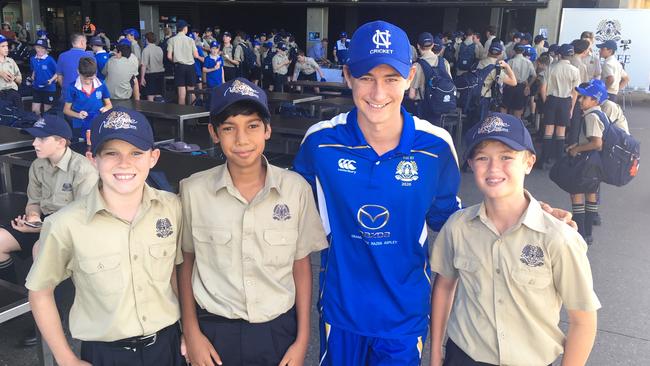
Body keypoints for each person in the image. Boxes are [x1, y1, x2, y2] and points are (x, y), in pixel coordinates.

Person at [293, 20, 462, 366]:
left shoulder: (436, 147)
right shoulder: (320, 142)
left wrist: (521, 210)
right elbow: (283, 204)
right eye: (366, 77)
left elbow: (456, 225)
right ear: (347, 75)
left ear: (411, 76)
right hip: (342, 311)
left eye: (391, 78)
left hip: (404, 315)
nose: (378, 93)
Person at [178, 77, 327, 366]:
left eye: (253, 126)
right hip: (214, 332)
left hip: (277, 331)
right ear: (214, 133)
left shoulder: (295, 190)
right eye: (229, 128)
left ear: (268, 129)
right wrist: (192, 332)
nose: (242, 140)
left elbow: (301, 266)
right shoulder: (193, 191)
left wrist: (302, 339)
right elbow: (186, 263)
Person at [430, 112, 600, 366]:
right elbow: (444, 286)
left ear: (529, 162)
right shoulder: (459, 226)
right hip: (464, 355)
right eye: (482, 158)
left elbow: (583, 321)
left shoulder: (559, 238)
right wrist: (434, 355)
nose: (493, 168)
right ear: (471, 164)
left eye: (506, 157)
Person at [27, 107, 186, 366]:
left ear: (153, 157)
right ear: (92, 159)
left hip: (167, 345)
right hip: (107, 354)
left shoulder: (172, 207)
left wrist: (188, 332)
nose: (125, 164)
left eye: (136, 153)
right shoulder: (65, 224)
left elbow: (174, 274)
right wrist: (66, 358)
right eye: (111, 153)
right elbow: (40, 292)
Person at [0, 115, 97, 284]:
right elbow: (34, 201)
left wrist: (40, 229)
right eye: (35, 138)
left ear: (61, 142)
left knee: (40, 249)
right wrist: (33, 218)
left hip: (72, 229)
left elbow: (82, 219)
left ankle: (48, 301)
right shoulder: (38, 165)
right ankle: (16, 298)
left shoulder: (83, 169)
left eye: (42, 139)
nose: (34, 143)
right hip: (45, 222)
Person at [568, 80, 609, 244]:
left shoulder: (591, 117)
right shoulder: (600, 113)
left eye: (584, 98)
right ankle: (588, 233)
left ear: (595, 100)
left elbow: (596, 142)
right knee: (591, 194)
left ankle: (581, 233)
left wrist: (576, 149)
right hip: (596, 162)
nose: (579, 100)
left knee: (576, 193)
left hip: (587, 161)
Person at [540, 44, 580, 168]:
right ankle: (558, 161)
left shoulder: (550, 68)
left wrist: (546, 100)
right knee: (561, 132)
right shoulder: (575, 70)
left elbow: (543, 87)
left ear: (559, 55)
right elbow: (575, 91)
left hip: (551, 99)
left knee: (548, 130)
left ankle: (544, 159)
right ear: (571, 55)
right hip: (566, 101)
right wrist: (571, 108)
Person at [408, 32, 452, 123]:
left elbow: (411, 95)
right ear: (432, 45)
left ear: (418, 46)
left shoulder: (417, 66)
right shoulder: (444, 62)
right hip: (441, 109)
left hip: (424, 110)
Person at [64, 57, 112, 140]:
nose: (87, 81)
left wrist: (106, 108)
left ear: (95, 73)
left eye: (91, 78)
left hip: (98, 122)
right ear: (78, 71)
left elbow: (109, 104)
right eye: (85, 78)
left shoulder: (101, 84)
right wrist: (78, 115)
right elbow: (66, 110)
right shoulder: (72, 87)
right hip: (79, 124)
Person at [167, 19, 199, 105]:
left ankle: (182, 114)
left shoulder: (171, 40)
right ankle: (194, 113)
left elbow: (169, 56)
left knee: (181, 94)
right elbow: (196, 55)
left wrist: (175, 61)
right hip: (190, 67)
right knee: (191, 91)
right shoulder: (190, 40)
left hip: (179, 67)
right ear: (185, 28)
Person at [503, 44, 536, 119]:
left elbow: (504, 74)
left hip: (510, 86)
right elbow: (534, 76)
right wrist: (528, 86)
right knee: (518, 110)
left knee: (505, 107)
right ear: (523, 51)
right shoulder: (528, 62)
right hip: (522, 87)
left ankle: (506, 126)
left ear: (514, 51)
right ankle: (516, 128)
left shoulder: (510, 61)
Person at [30, 38, 58, 115]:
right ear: (35, 47)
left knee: (47, 111)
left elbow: (58, 72)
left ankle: (47, 126)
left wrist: (51, 80)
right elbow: (34, 69)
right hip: (36, 88)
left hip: (48, 88)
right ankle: (37, 125)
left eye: (42, 48)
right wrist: (32, 77)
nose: (40, 50)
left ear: (46, 49)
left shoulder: (50, 60)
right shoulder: (33, 59)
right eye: (38, 47)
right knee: (35, 111)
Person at [140, 32, 165, 101]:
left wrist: (142, 78)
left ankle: (151, 110)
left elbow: (143, 65)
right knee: (159, 94)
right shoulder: (159, 49)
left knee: (150, 95)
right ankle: (161, 109)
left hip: (150, 75)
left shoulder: (146, 50)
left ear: (146, 39)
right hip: (160, 73)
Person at [0, 35, 22, 109]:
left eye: (6, 46)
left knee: (20, 116)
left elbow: (20, 80)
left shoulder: (11, 61)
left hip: (13, 93)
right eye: (3, 46)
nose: (6, 48)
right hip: (1, 94)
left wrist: (14, 78)